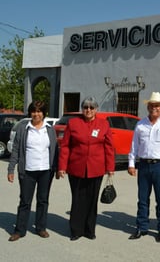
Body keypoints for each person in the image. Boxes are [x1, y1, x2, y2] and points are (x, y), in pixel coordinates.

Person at [56, 96, 115, 241]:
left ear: (96, 110)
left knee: (92, 199)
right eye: (85, 107)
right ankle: (76, 230)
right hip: (76, 167)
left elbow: (109, 147)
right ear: (82, 109)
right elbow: (65, 146)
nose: (88, 110)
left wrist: (110, 167)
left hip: (96, 168)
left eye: (91, 107)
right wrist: (62, 166)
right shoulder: (73, 123)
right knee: (77, 199)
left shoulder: (104, 124)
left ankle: (89, 229)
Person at [128, 92, 160, 243]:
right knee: (142, 199)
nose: (154, 108)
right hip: (144, 165)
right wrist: (131, 163)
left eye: (157, 105)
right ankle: (141, 227)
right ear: (148, 107)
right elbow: (134, 146)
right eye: (151, 105)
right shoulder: (140, 124)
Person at [7, 101, 59, 242]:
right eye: (34, 111)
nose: (36, 114)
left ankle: (41, 228)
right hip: (28, 171)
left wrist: (57, 168)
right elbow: (16, 149)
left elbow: (55, 150)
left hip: (45, 171)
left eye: (39, 111)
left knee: (43, 201)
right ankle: (19, 230)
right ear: (30, 113)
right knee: (25, 201)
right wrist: (11, 168)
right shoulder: (24, 128)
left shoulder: (49, 129)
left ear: (44, 113)